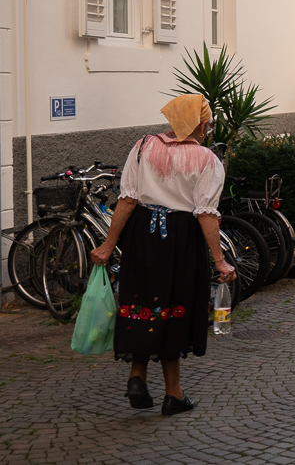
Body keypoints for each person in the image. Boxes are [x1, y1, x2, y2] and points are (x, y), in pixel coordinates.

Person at [90, 94, 236, 416]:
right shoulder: (207, 159)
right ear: (202, 124)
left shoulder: (143, 146)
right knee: (174, 307)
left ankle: (138, 376)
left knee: (142, 304)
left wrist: (108, 244)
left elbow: (126, 200)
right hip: (182, 239)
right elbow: (206, 213)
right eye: (208, 121)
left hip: (142, 234)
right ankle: (173, 394)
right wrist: (219, 260)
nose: (209, 126)